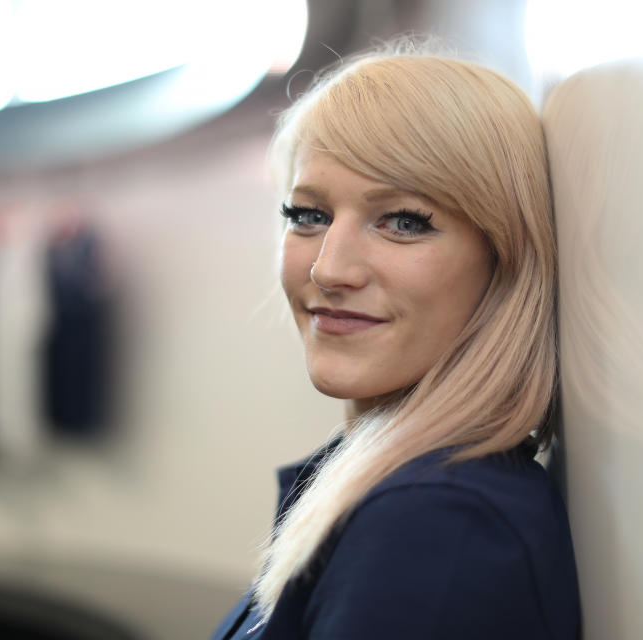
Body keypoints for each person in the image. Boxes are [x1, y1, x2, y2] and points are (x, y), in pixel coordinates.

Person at [211, 47, 580, 640]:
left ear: (505, 258)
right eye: (308, 214)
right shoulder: (390, 484)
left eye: (404, 221)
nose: (328, 270)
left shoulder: (439, 524)